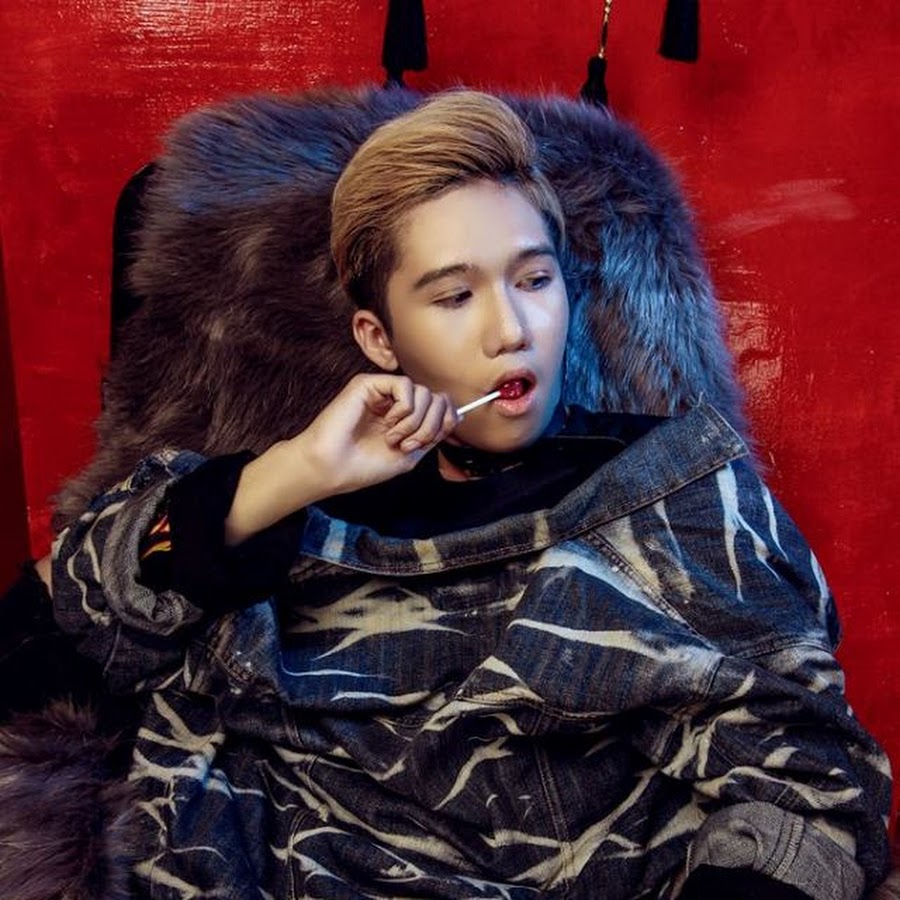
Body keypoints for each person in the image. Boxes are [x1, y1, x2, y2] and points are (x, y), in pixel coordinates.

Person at [43, 91, 890, 898]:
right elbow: (85, 608)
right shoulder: (307, 496)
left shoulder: (674, 485)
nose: (510, 330)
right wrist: (296, 472)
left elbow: (812, 786)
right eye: (454, 296)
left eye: (535, 280)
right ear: (379, 338)